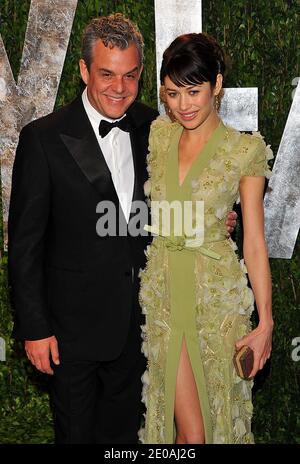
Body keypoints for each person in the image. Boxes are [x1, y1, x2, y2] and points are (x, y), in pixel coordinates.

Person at [8, 14, 237, 444]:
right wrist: (35, 327)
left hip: (140, 326)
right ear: (82, 71)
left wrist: (211, 220)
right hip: (70, 333)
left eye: (130, 75)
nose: (119, 87)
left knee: (126, 444)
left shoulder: (158, 130)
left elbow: (166, 211)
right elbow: (25, 246)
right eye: (107, 74)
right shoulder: (44, 138)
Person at [139, 33, 274, 444]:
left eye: (194, 91)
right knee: (191, 433)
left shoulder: (244, 150)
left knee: (214, 423)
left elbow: (253, 240)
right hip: (164, 293)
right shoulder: (159, 136)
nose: (183, 105)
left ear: (217, 84)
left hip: (217, 297)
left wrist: (266, 320)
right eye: (173, 94)